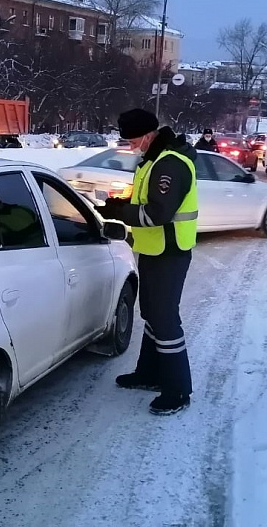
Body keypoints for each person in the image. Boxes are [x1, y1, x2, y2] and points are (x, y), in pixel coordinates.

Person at [98, 109, 198, 416]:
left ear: (148, 135)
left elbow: (157, 213)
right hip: (155, 250)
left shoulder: (170, 164)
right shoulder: (153, 160)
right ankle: (149, 374)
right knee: (152, 314)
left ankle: (178, 389)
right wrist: (121, 204)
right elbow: (144, 202)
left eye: (132, 140)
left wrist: (120, 213)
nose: (129, 146)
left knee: (166, 319)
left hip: (170, 252)